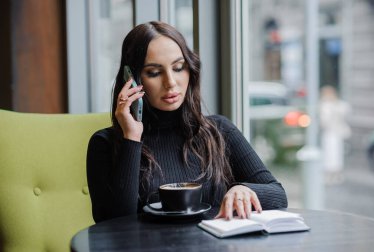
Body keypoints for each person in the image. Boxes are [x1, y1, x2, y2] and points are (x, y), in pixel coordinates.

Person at [86, 21, 287, 223]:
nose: (171, 82)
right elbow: (114, 226)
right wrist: (131, 138)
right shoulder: (105, 144)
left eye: (179, 67)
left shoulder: (219, 131)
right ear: (133, 79)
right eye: (154, 72)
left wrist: (244, 189)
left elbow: (278, 194)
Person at [319, 85, 351, 184]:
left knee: (337, 155)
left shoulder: (339, 104)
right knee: (329, 155)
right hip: (329, 134)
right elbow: (324, 121)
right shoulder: (324, 105)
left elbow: (345, 111)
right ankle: (329, 174)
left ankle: (336, 174)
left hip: (337, 134)